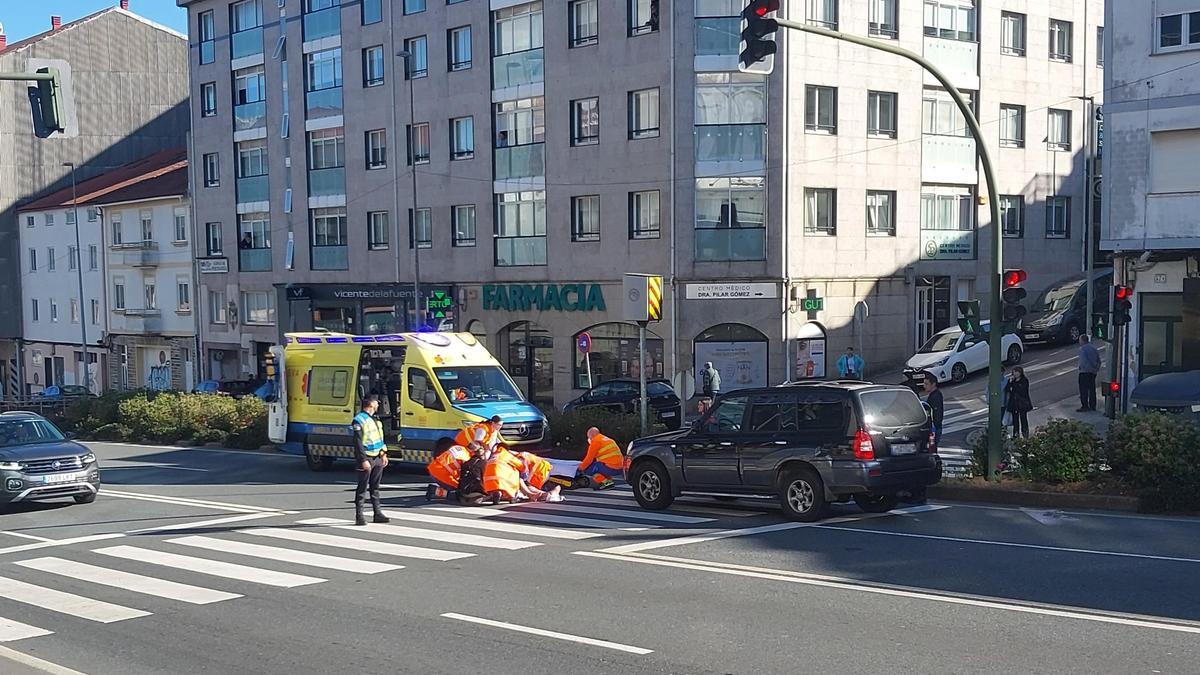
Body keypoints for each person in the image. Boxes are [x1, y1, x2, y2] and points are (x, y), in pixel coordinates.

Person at [351, 397, 390, 526]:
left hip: (377, 457)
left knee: (375, 488)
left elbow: (380, 438)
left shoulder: (376, 420)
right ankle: (359, 516)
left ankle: (377, 513)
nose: (378, 404)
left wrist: (383, 454)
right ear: (371, 405)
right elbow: (357, 443)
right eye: (376, 403)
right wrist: (363, 460)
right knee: (362, 488)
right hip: (366, 458)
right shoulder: (359, 420)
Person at [1005, 367, 1033, 438]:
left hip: (1022, 403)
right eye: (1014, 372)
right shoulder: (1011, 381)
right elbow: (1007, 390)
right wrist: (1010, 383)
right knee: (1015, 420)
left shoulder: (1024, 380)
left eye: (1017, 372)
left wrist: (1013, 387)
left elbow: (1022, 390)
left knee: (1023, 419)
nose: (1015, 374)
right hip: (1014, 403)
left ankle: (1025, 434)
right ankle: (1016, 435)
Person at [1077, 334, 1101, 412]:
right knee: (1092, 389)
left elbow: (1083, 361)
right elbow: (1098, 360)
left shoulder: (1083, 349)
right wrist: (1096, 368)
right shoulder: (1094, 348)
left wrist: (1081, 367)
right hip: (1093, 372)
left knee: (1083, 389)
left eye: (1080, 340)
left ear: (1082, 340)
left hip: (1084, 372)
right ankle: (1093, 405)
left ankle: (1085, 406)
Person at [922, 372, 944, 451]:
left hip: (934, 428)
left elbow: (936, 415)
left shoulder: (935, 397)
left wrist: (933, 429)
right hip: (934, 428)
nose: (924, 386)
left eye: (926, 384)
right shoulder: (934, 395)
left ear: (933, 384)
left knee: (932, 449)